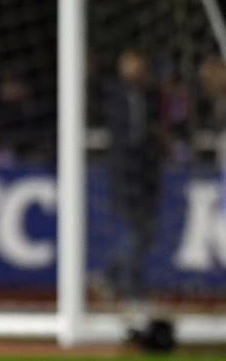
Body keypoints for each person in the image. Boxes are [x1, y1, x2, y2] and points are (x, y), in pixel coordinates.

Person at [102, 49, 164, 309]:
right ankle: (132, 289)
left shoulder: (150, 96)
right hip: (125, 172)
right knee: (135, 232)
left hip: (148, 172)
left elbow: (152, 130)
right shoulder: (114, 94)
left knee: (145, 232)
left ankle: (111, 276)